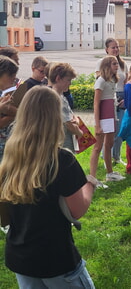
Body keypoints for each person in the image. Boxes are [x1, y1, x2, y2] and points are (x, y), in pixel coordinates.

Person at [0, 86, 98, 288]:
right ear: (54, 118)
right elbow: (77, 210)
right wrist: (90, 184)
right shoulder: (61, 159)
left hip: (20, 256)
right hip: (56, 258)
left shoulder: (10, 155)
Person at [91, 56, 125, 182]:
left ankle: (110, 173)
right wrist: (97, 124)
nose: (117, 66)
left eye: (117, 64)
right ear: (106, 66)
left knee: (109, 144)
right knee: (97, 147)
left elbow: (111, 98)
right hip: (103, 116)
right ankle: (93, 178)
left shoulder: (112, 80)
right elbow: (96, 103)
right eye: (114, 64)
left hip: (111, 115)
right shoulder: (101, 81)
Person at [95, 38, 128, 165]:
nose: (115, 49)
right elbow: (100, 79)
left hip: (121, 96)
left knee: (120, 129)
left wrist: (126, 98)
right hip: (108, 97)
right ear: (106, 49)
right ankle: (106, 157)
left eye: (117, 47)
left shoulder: (123, 64)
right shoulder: (101, 62)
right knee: (108, 131)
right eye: (113, 47)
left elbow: (126, 82)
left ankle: (117, 156)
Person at [49, 63, 83, 153]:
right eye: (68, 80)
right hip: (63, 141)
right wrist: (80, 133)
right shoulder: (58, 99)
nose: (70, 83)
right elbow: (68, 124)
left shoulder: (59, 95)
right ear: (58, 78)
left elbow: (69, 114)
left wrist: (75, 119)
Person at [0, 57, 19, 163]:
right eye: (11, 75)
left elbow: (17, 112)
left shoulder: (5, 93)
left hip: (7, 148)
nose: (14, 79)